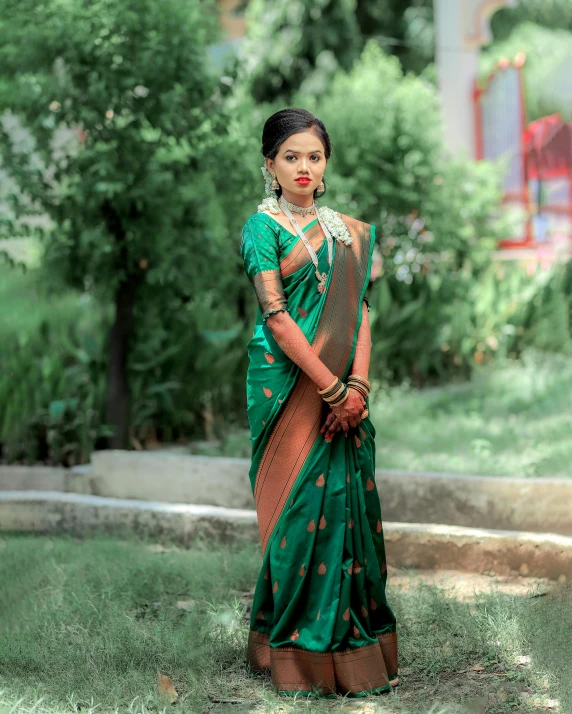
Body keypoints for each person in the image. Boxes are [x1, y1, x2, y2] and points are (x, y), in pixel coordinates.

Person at [240, 108, 398, 698]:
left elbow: (359, 311)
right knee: (299, 515)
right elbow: (276, 317)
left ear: (325, 163)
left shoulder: (347, 231)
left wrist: (356, 388)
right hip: (286, 389)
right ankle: (297, 652)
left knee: (345, 505)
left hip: (343, 392)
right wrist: (328, 388)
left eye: (313, 156)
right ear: (270, 164)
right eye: (291, 156)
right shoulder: (263, 228)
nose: (303, 167)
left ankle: (354, 649)